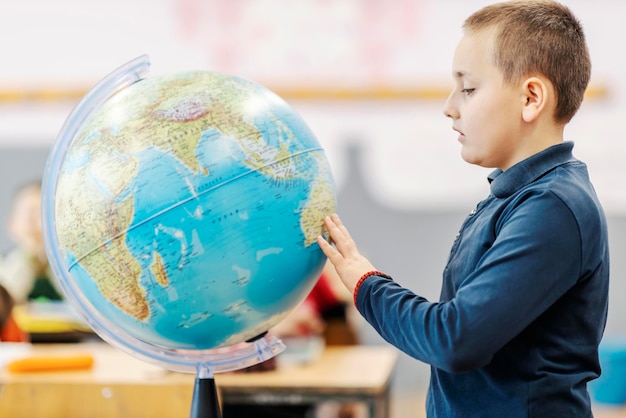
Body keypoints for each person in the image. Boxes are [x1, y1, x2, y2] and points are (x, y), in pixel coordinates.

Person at [317, 1, 609, 417]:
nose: (450, 106)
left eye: (468, 88)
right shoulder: (515, 197)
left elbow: (454, 340)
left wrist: (365, 282)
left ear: (531, 98)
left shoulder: (553, 208)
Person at [0, 181, 63, 305]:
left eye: (40, 214)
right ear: (11, 224)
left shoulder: (66, 267)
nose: (33, 223)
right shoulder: (4, 267)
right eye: (27, 214)